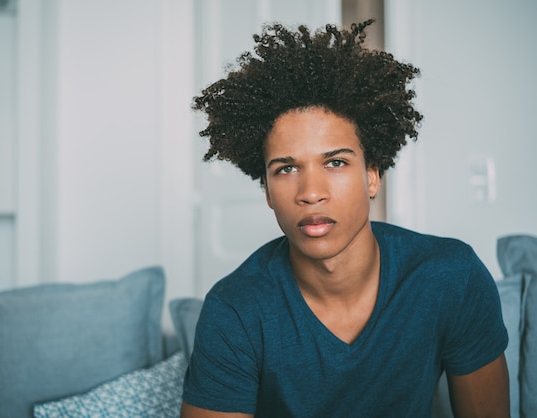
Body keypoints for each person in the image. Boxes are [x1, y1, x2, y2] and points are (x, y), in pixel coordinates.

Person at [181, 20, 510, 418]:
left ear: (372, 175)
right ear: (267, 190)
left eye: (335, 162)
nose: (311, 192)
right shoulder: (234, 310)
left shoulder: (451, 279)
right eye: (286, 169)